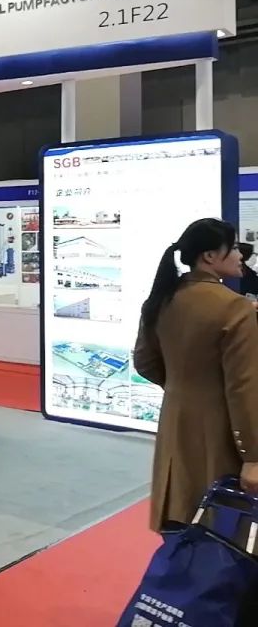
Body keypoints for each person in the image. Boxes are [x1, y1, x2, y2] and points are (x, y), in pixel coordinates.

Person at [133, 218, 258, 534]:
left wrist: (182, 386)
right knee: (224, 527)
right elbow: (243, 387)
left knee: (179, 513)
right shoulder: (234, 308)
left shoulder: (161, 299)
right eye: (234, 248)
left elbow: (144, 362)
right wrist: (253, 457)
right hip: (220, 430)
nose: (241, 256)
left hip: (174, 421)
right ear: (210, 256)